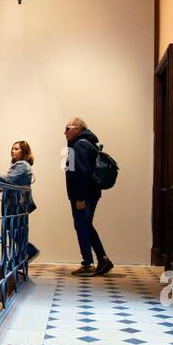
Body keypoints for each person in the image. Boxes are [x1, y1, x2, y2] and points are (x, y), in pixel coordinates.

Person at [64, 117, 113, 276]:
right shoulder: (84, 144)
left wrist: (79, 198)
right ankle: (103, 259)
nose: (64, 132)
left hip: (83, 195)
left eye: (67, 128)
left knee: (82, 226)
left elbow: (82, 173)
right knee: (86, 225)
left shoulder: (79, 145)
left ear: (77, 129)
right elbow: (72, 170)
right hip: (90, 193)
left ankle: (88, 264)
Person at [3, 140, 40, 264]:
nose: (13, 151)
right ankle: (22, 256)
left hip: (17, 205)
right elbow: (13, 182)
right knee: (15, 231)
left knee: (16, 231)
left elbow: (9, 179)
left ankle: (28, 252)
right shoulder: (19, 165)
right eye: (12, 148)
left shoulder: (23, 164)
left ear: (24, 152)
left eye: (17, 149)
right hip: (15, 204)